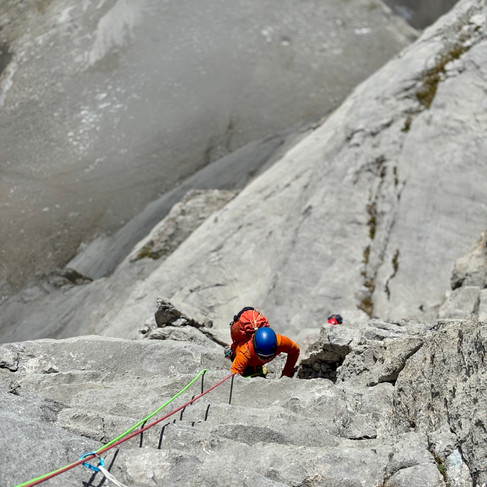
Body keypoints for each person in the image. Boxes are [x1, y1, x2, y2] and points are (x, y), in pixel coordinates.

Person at [230, 327, 300, 378]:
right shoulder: (245, 352)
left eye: (269, 357)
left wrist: (286, 374)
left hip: (256, 363)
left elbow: (295, 351)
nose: (266, 360)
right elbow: (233, 374)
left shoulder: (281, 343)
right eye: (262, 357)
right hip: (244, 362)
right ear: (255, 349)